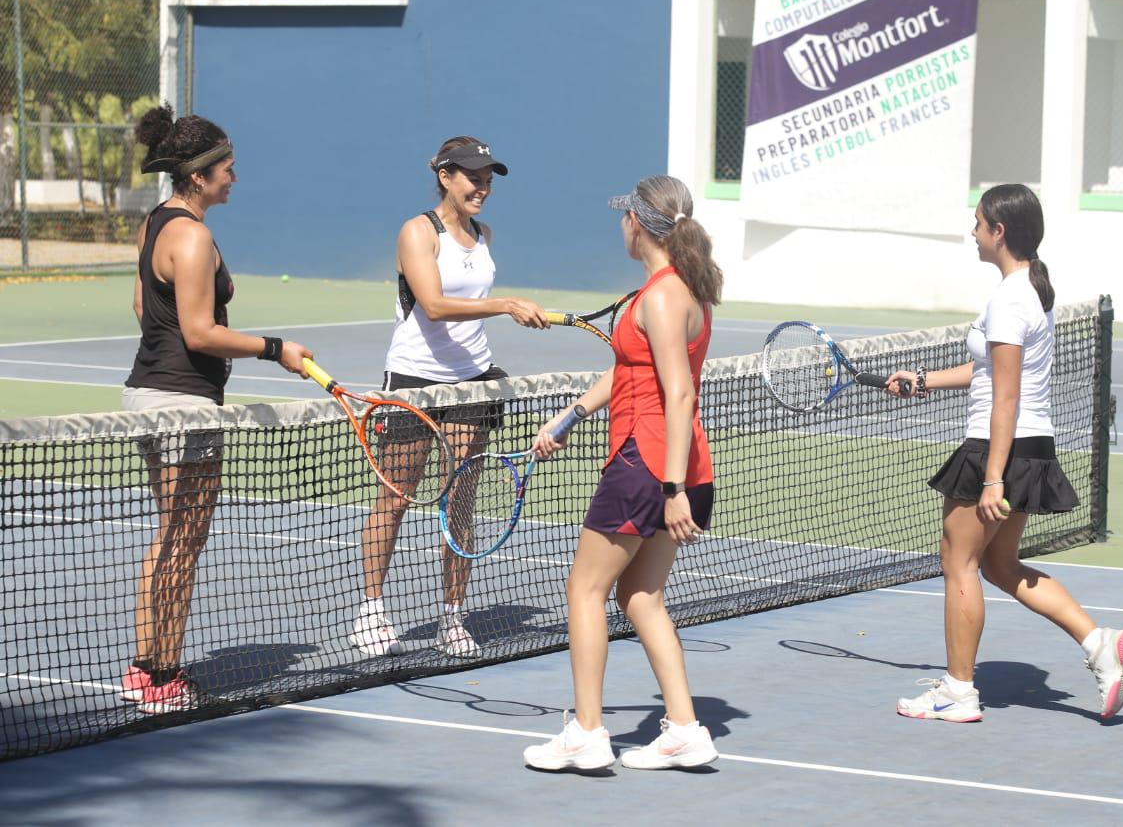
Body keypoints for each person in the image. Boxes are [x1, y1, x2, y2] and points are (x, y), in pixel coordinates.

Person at [886, 184, 1123, 723]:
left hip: (998, 448)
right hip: (1032, 446)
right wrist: (924, 380)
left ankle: (958, 691)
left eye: (978, 223)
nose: (972, 231)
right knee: (999, 564)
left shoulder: (1009, 298)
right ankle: (1099, 644)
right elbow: (989, 372)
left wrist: (992, 477)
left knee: (958, 563)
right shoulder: (1029, 292)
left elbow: (1005, 397)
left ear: (999, 232)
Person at [521, 175, 723, 772]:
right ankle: (684, 729)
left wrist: (672, 489)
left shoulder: (661, 297)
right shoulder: (682, 290)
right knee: (640, 597)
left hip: (649, 466)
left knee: (584, 590)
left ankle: (586, 733)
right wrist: (569, 416)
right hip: (675, 463)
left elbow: (679, 392)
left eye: (624, 216)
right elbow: (633, 369)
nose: (620, 225)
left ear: (638, 223)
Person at [122, 103, 313, 715]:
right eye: (227, 167)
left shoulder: (157, 223)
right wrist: (276, 349)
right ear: (199, 175)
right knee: (184, 541)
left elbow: (142, 308)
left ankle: (145, 668)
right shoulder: (194, 236)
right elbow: (200, 332)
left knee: (171, 535)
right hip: (184, 405)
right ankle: (163, 676)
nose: (234, 176)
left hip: (150, 394)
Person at [349, 136, 549, 658]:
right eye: (472, 178)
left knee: (460, 500)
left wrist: (507, 310)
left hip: (472, 383)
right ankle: (371, 612)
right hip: (415, 382)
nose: (482, 188)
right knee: (395, 498)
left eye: (487, 180)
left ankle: (452, 618)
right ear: (445, 176)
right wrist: (505, 304)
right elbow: (434, 305)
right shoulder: (418, 232)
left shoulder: (483, 235)